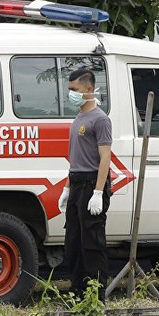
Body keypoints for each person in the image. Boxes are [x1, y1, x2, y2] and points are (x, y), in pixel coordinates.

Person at [57, 68, 112, 300]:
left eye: (75, 90)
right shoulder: (78, 119)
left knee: (92, 242)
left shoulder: (100, 119)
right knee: (74, 241)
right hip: (77, 181)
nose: (71, 94)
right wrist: (67, 188)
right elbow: (74, 157)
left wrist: (98, 192)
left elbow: (105, 158)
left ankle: (95, 295)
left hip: (92, 183)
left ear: (89, 89)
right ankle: (78, 291)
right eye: (70, 89)